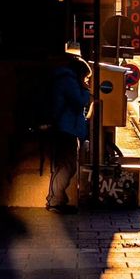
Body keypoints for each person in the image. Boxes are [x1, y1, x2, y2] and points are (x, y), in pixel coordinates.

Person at [46, 53, 91, 213]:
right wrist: (86, 91)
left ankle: (57, 199)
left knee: (65, 164)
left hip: (65, 127)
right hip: (66, 129)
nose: (85, 81)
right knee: (67, 165)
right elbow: (79, 101)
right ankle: (55, 200)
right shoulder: (68, 81)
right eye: (85, 77)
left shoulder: (64, 79)